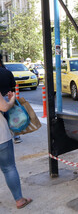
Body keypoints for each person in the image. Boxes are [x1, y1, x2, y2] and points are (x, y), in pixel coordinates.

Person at [0, 57, 32, 209]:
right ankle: (19, 200)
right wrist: (12, 100)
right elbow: (5, 107)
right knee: (8, 168)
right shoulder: (6, 72)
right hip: (1, 135)